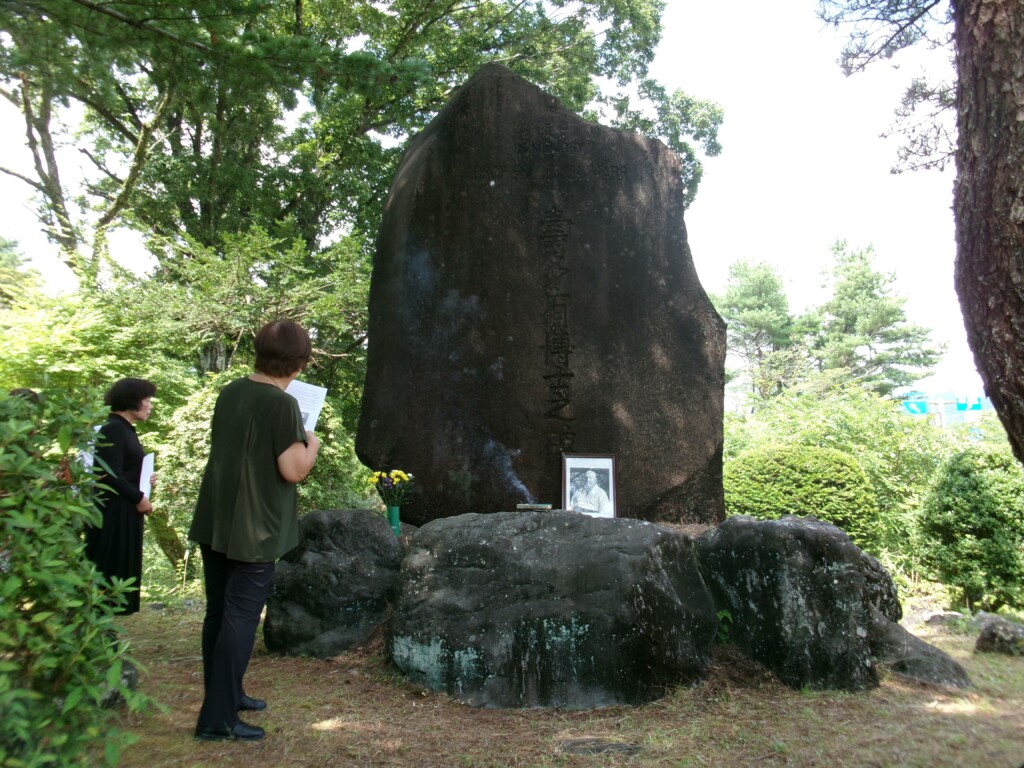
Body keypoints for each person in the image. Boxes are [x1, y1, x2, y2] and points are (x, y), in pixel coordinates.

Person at [189, 320, 321, 742]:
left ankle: (225, 696)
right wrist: (311, 442)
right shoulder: (281, 405)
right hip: (256, 526)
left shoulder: (231, 391)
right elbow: (293, 469)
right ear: (299, 362)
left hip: (216, 517)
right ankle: (218, 719)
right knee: (241, 617)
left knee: (218, 613)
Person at [84, 378, 156, 615]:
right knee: (109, 569)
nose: (150, 405)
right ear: (132, 401)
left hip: (123, 510)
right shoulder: (114, 428)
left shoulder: (124, 429)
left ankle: (106, 629)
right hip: (113, 513)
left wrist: (144, 479)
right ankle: (100, 630)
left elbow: (122, 469)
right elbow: (107, 473)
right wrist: (139, 497)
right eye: (147, 400)